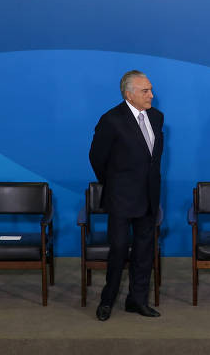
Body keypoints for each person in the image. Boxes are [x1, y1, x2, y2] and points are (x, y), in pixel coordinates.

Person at [89, 70, 164, 321]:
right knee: (119, 250)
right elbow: (97, 158)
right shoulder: (111, 120)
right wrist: (114, 184)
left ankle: (137, 300)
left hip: (149, 198)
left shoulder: (157, 117)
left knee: (144, 253)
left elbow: (152, 160)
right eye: (146, 91)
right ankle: (107, 301)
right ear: (129, 94)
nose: (151, 95)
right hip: (121, 198)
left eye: (151, 89)